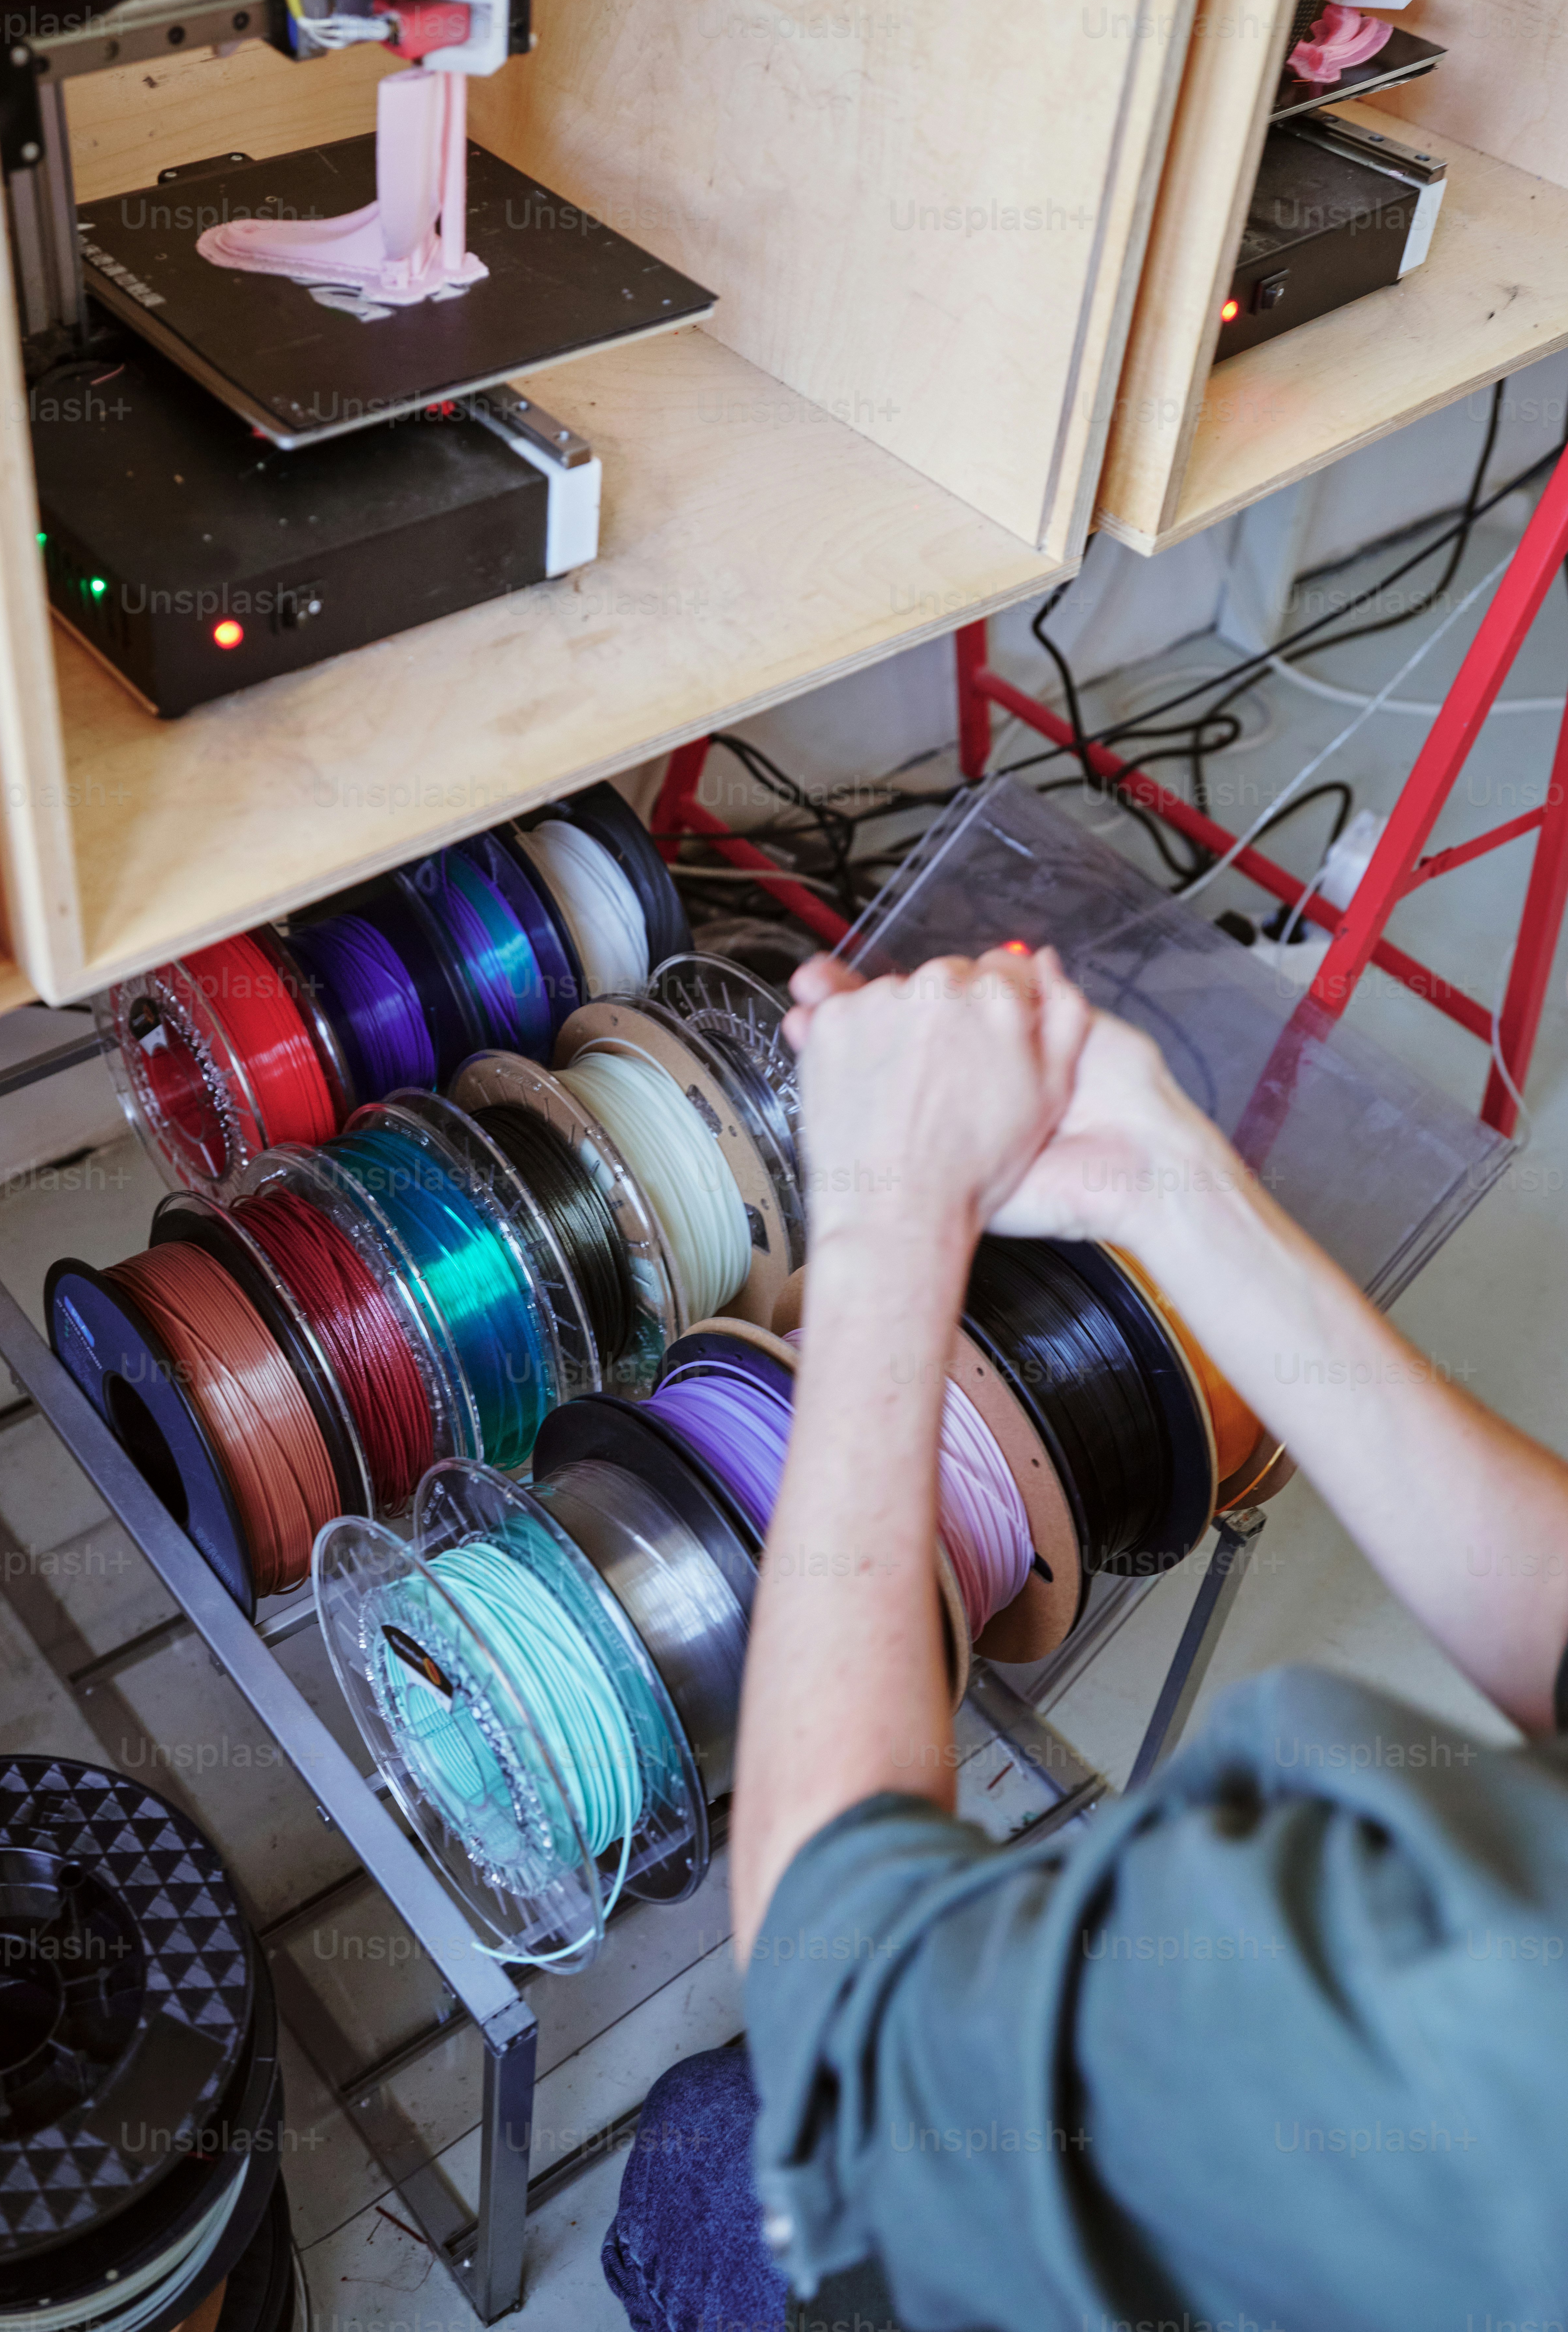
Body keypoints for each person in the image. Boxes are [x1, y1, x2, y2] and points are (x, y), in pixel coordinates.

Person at [603, 946, 1568, 2332]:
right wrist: (1162, 1185)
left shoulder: (1450, 2054)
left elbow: (846, 1986)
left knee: (707, 2153)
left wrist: (884, 1242)